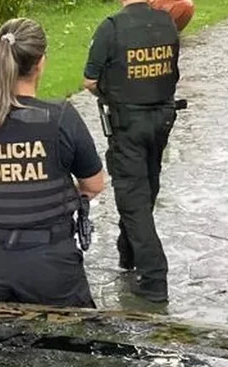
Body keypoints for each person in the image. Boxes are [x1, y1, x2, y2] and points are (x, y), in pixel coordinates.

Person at [0, 17, 106, 308]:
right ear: (40, 63)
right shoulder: (60, 117)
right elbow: (94, 184)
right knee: (70, 348)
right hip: (50, 265)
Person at [83, 0, 180, 304]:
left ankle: (153, 277)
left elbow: (90, 80)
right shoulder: (167, 23)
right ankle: (129, 253)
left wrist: (113, 92)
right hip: (162, 119)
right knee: (147, 187)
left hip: (128, 124)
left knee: (132, 197)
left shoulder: (111, 28)